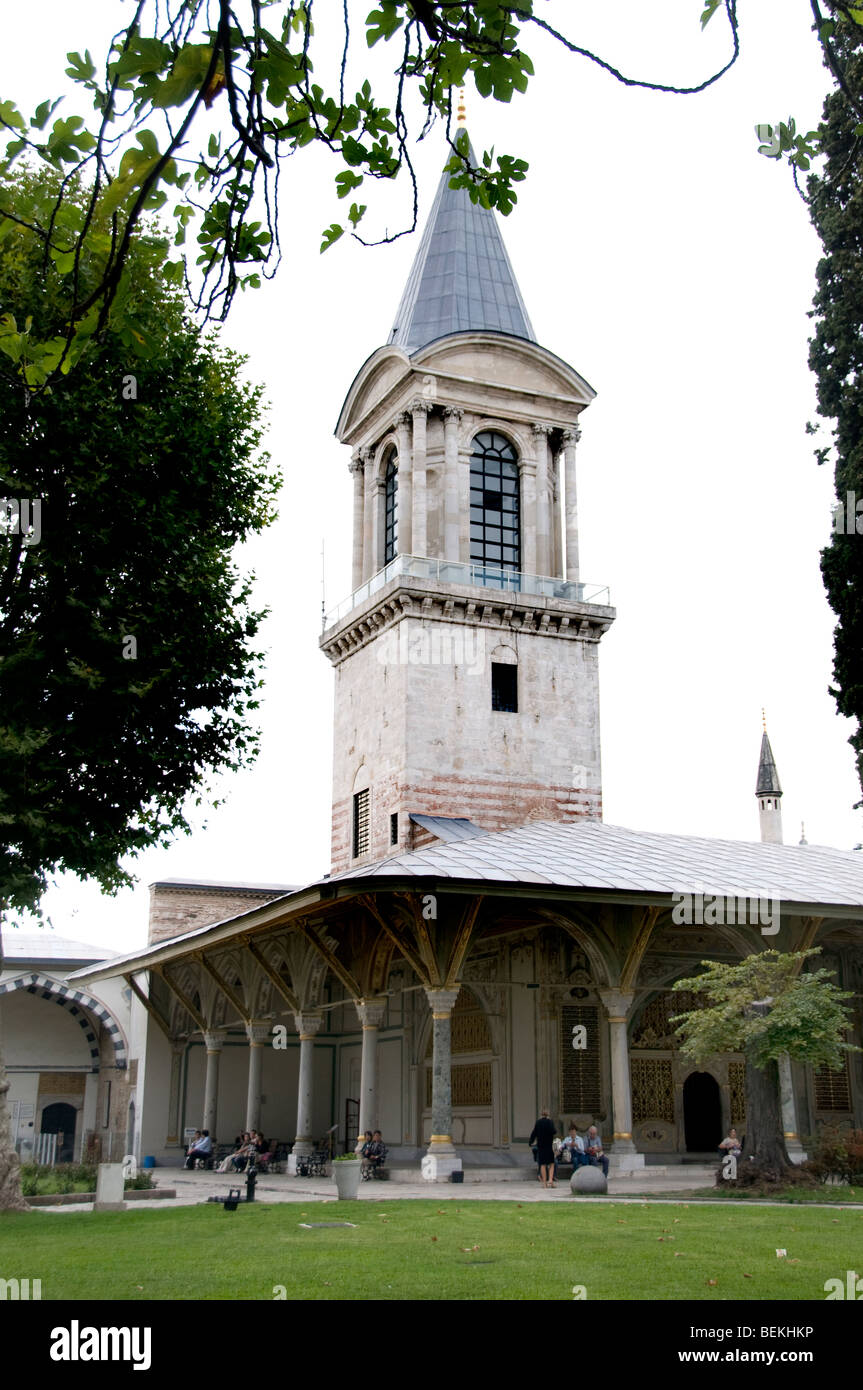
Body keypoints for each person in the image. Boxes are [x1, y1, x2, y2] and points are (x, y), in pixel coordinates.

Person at [529, 1108, 557, 1188]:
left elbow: (534, 1133)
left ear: (541, 1114)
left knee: (542, 1164)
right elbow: (554, 1131)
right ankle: (550, 1180)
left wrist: (530, 1141)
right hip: (549, 1145)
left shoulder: (538, 1122)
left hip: (541, 1146)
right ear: (548, 1114)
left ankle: (544, 1183)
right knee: (551, 1164)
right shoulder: (550, 1122)